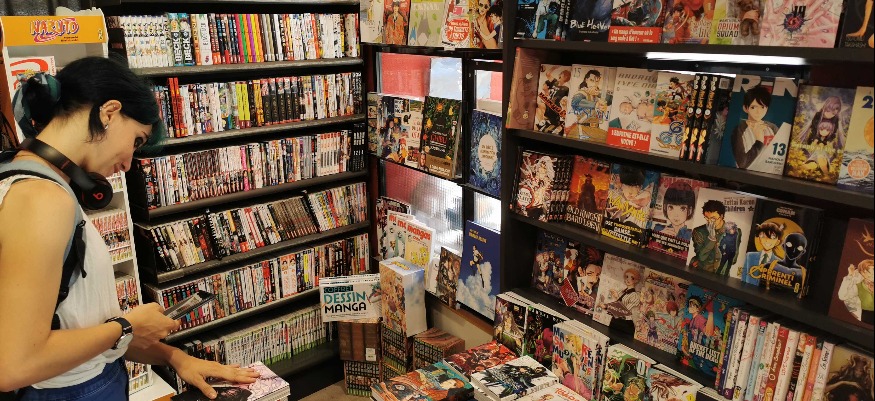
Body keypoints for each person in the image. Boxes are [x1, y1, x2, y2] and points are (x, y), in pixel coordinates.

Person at [0, 57, 258, 400]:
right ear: (109, 112)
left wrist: (175, 357)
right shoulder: (42, 199)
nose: (126, 164)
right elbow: (15, 365)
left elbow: (75, 328)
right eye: (136, 141)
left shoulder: (34, 184)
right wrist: (126, 326)